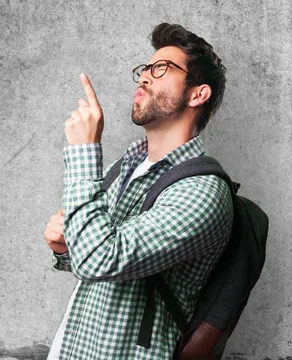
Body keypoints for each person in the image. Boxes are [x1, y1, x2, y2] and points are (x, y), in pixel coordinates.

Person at [43, 23, 233, 359]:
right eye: (145, 69)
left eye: (162, 69)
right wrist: (64, 247)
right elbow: (95, 257)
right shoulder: (125, 165)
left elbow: (101, 259)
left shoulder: (202, 191)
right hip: (74, 348)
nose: (145, 76)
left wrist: (83, 151)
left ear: (197, 94)